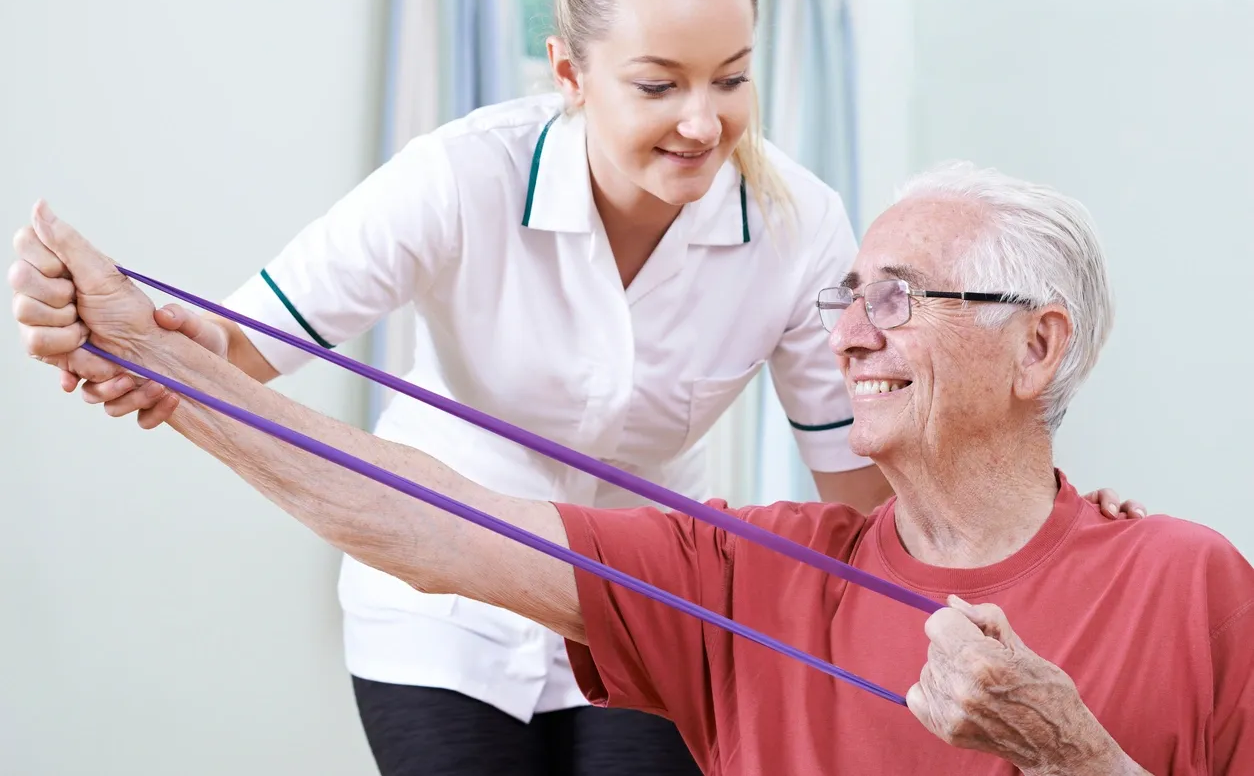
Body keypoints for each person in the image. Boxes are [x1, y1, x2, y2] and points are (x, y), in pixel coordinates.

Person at [12, 159, 1225, 774]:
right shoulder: (750, 574)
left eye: (896, 299)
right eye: (847, 295)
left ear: (1038, 347)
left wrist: (1075, 754)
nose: (847, 331)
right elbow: (426, 520)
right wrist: (166, 373)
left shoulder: (1195, 585)